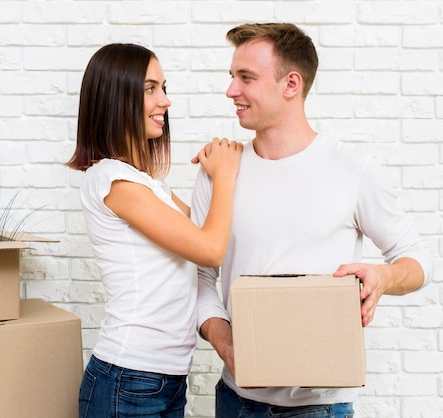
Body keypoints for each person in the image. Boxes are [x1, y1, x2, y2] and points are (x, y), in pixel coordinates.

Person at [190, 23, 433, 418]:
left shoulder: (353, 169)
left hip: (320, 407)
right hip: (235, 402)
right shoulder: (219, 170)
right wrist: (229, 347)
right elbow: (200, 278)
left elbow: (419, 259)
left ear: (291, 84)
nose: (231, 90)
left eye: (245, 78)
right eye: (232, 77)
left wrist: (383, 278)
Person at [66, 43, 243, 418]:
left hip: (164, 380)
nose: (165, 101)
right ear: (117, 98)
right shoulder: (113, 180)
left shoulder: (148, 184)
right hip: (128, 379)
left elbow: (210, 228)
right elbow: (209, 249)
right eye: (150, 89)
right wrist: (224, 175)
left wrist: (215, 177)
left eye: (164, 87)